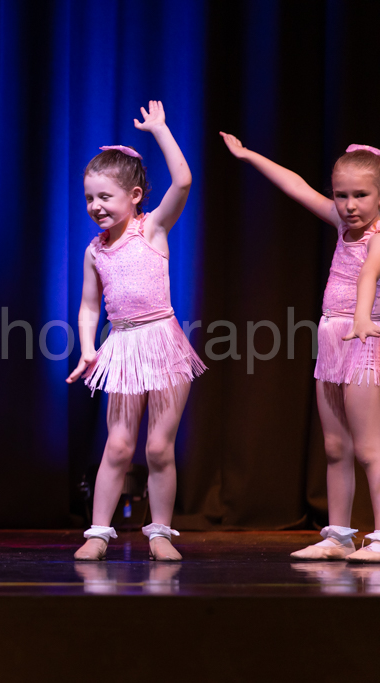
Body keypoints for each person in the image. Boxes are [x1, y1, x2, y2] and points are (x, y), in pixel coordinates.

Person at [223, 135, 380, 562]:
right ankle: (339, 536)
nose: (349, 205)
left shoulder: (377, 236)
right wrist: (249, 155)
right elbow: (295, 186)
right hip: (331, 337)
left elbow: (369, 274)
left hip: (364, 339)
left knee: (369, 448)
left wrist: (362, 316)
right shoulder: (341, 224)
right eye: (341, 195)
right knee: (334, 447)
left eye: (361, 196)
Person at [68, 102, 202, 562]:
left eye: (105, 197)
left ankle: (160, 532)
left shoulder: (153, 229)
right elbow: (90, 305)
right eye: (89, 198)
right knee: (119, 445)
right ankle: (98, 532)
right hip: (122, 345)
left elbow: (183, 181)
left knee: (159, 447)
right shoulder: (95, 251)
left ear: (136, 195)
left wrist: (160, 130)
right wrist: (89, 348)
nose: (95, 206)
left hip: (163, 344)